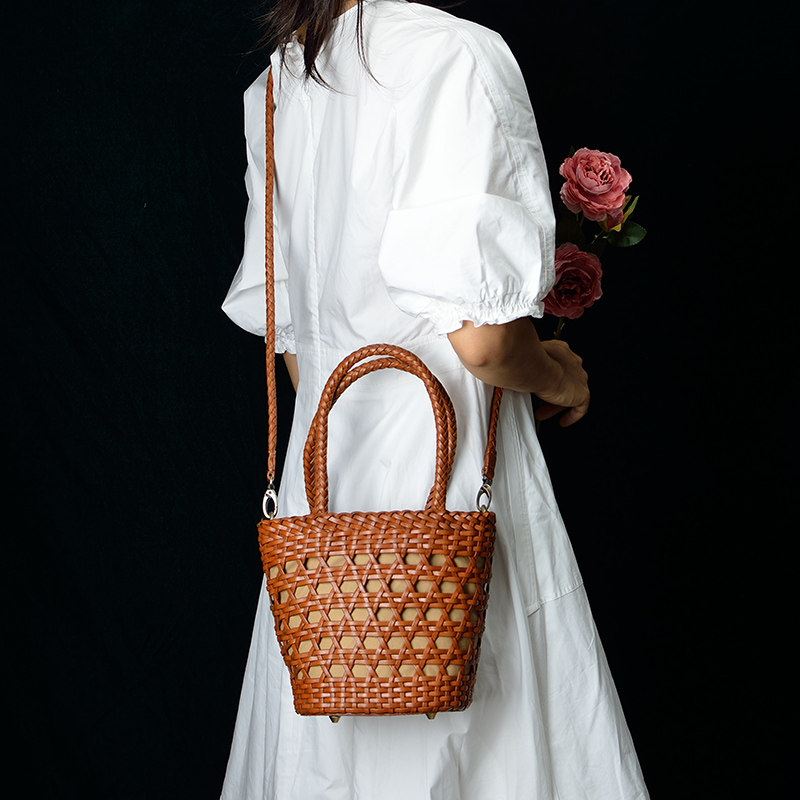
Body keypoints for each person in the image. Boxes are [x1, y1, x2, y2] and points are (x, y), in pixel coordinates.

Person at [220, 1, 650, 797]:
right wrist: (558, 375)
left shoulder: (282, 80)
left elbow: (294, 344)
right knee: (482, 744)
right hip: (448, 501)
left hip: (324, 516)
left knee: (330, 754)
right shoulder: (455, 54)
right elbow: (483, 344)